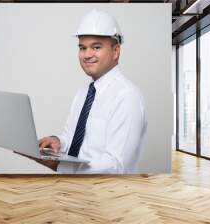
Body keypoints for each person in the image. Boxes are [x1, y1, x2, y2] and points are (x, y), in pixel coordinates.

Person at [36, 9, 147, 174]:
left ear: (115, 51)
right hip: (74, 190)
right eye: (82, 48)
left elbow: (116, 165)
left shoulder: (127, 96)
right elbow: (73, 139)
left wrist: (61, 167)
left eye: (96, 47)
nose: (87, 55)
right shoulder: (83, 94)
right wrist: (58, 141)